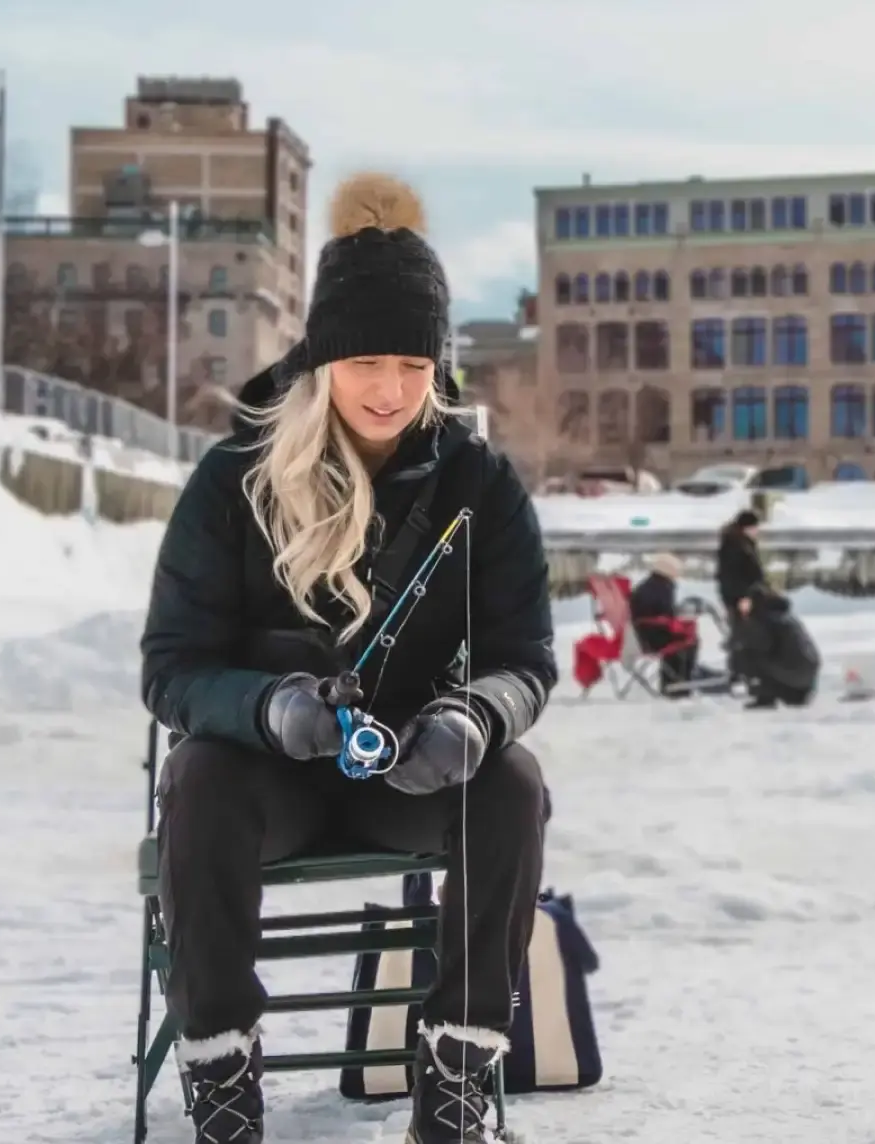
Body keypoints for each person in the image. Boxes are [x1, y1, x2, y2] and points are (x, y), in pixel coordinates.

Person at [137, 173, 550, 1144]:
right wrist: (270, 707)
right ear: (323, 356)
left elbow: (524, 655)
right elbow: (171, 667)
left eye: (414, 362)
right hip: (261, 771)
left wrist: (472, 719)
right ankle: (223, 1074)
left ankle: (456, 1074)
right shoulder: (234, 476)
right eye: (368, 359)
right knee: (197, 778)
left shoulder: (478, 482)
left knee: (512, 784)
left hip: (402, 765)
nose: (393, 389)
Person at [628, 553, 713, 696]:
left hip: (643, 634)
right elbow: (666, 613)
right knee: (689, 641)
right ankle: (680, 682)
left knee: (684, 638)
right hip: (653, 637)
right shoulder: (662, 588)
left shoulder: (647, 585)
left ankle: (674, 680)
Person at [729, 584, 820, 708]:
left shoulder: (763, 619)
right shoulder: (786, 617)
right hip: (806, 681)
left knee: (744, 655)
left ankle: (766, 697)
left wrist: (741, 629)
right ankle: (795, 695)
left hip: (792, 675)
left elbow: (760, 647)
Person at [716, 509, 770, 616]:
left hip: (746, 595)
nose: (757, 531)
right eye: (755, 527)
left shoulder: (742, 543)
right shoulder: (736, 546)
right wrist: (744, 596)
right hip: (741, 597)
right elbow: (734, 574)